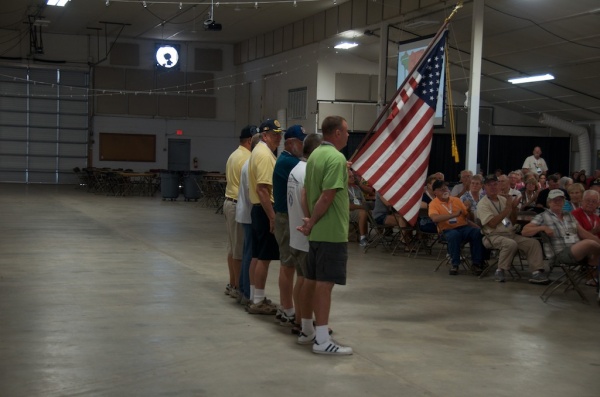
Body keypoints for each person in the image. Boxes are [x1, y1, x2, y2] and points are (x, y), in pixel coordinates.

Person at [297, 115, 352, 355]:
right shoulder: (336, 157)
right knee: (324, 285)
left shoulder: (315, 156)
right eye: (347, 131)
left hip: (318, 231)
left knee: (312, 280)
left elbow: (307, 192)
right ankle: (321, 339)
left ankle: (307, 329)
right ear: (337, 133)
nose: (349, 135)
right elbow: (327, 196)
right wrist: (313, 222)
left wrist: (309, 220)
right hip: (330, 231)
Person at [477, 175, 550, 284]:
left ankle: (536, 272)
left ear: (499, 185)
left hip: (509, 233)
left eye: (495, 184)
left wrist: (514, 208)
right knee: (510, 244)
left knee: (533, 243)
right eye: (489, 185)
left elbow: (512, 221)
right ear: (484, 187)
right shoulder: (483, 204)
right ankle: (500, 270)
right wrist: (507, 208)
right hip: (492, 236)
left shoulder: (503, 199)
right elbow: (492, 224)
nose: (493, 187)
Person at [287, 133, 323, 334]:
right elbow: (307, 198)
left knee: (301, 280)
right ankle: (307, 324)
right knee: (310, 283)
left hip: (295, 232)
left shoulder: (296, 169)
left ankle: (299, 320)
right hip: (306, 234)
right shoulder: (309, 170)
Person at [246, 118, 283, 315]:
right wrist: (272, 216)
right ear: (265, 135)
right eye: (275, 134)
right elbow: (263, 189)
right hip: (264, 208)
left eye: (280, 134)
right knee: (264, 257)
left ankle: (255, 296)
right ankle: (258, 300)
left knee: (256, 255)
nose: (279, 138)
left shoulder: (258, 152)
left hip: (258, 208)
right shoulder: (265, 156)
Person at [522, 190, 600, 280]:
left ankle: (592, 280)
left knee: (595, 249)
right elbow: (525, 231)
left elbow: (583, 233)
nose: (557, 202)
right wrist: (542, 228)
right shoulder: (542, 216)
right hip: (559, 254)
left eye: (560, 200)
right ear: (549, 202)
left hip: (576, 250)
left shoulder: (569, 216)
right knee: (589, 243)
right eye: (554, 200)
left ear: (564, 202)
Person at [272, 125, 306, 325]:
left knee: (289, 265)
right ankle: (287, 308)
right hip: (285, 217)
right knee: (288, 264)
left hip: (287, 216)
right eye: (301, 142)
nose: (303, 146)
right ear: (291, 142)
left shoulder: (289, 160)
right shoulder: (288, 162)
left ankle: (288, 307)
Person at [223, 125, 256, 298]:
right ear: (250, 140)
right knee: (239, 250)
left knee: (232, 247)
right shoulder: (248, 158)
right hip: (237, 205)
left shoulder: (234, 155)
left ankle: (232, 282)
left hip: (228, 202)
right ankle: (237, 286)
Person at [428, 179, 484, 276]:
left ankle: (476, 263)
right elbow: (434, 218)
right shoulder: (433, 204)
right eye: (441, 190)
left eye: (445, 188)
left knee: (477, 233)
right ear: (435, 192)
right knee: (454, 235)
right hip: (446, 230)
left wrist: (469, 211)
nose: (445, 191)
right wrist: (453, 215)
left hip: (463, 227)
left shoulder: (456, 200)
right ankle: (455, 264)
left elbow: (466, 217)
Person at [235, 132, 262, 305]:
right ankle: (246, 290)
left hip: (245, 212)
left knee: (247, 253)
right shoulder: (251, 164)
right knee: (250, 255)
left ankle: (243, 289)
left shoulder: (248, 162)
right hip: (250, 214)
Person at [571, 189, 600, 287]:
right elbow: (579, 236)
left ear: (598, 204)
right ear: (582, 201)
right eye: (588, 200)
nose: (590, 203)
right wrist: (594, 231)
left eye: (594, 201)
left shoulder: (596, 217)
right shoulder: (575, 214)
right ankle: (590, 277)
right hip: (579, 246)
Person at [347, 171, 369, 246]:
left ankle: (379, 235)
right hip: (348, 212)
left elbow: (364, 202)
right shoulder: (343, 190)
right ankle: (362, 238)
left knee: (371, 212)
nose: (353, 178)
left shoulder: (357, 188)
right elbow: (349, 206)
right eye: (350, 177)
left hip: (359, 209)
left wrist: (363, 206)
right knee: (362, 212)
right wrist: (361, 207)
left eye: (353, 176)